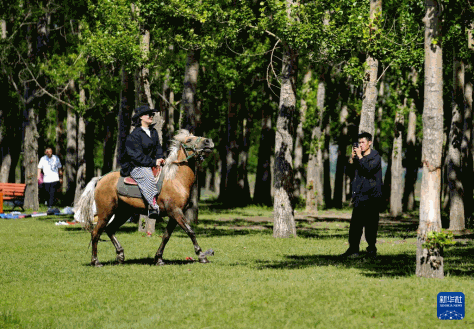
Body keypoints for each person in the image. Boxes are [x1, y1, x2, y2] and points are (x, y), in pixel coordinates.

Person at [340, 131, 383, 260]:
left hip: (372, 197)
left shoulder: (376, 156)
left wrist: (360, 157)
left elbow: (369, 169)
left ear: (369, 143)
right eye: (359, 143)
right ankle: (353, 248)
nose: (361, 145)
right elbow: (349, 172)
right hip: (359, 196)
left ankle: (371, 249)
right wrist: (352, 159)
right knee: (355, 225)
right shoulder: (359, 158)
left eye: (363, 142)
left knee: (371, 225)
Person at [120, 105, 165, 220]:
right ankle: (152, 206)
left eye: (152, 114)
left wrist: (160, 159)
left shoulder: (153, 132)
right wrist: (154, 162)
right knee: (147, 175)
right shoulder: (133, 136)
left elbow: (158, 148)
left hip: (151, 164)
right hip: (136, 166)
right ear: (140, 117)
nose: (151, 116)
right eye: (148, 114)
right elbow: (137, 157)